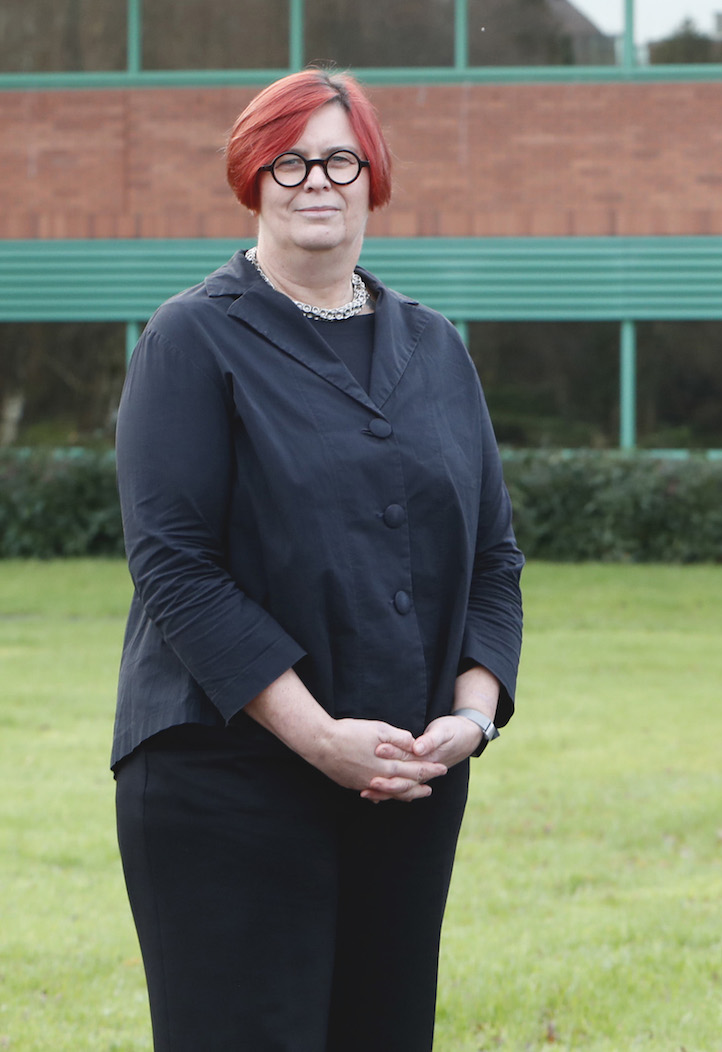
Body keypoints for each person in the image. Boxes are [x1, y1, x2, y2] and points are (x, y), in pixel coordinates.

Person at [112, 69, 524, 1052]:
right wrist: (319, 735)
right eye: (287, 161)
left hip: (405, 790)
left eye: (339, 157)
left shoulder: (436, 348)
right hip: (227, 781)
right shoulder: (191, 338)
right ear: (252, 179)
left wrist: (470, 715)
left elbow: (495, 561)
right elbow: (176, 569)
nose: (315, 181)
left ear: (373, 175)